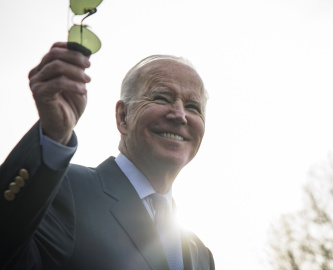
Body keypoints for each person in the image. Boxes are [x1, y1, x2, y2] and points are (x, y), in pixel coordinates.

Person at [0, 42, 215, 270]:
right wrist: (53, 134)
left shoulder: (201, 255)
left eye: (193, 107)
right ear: (123, 117)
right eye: (161, 98)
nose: (180, 115)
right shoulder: (64, 190)